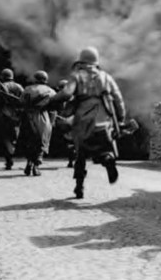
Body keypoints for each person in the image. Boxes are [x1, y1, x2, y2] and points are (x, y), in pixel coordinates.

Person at [49, 47, 126, 199]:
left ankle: (79, 186)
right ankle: (108, 160)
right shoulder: (106, 77)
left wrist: (52, 100)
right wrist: (121, 119)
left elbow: (66, 93)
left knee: (81, 154)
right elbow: (118, 99)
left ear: (81, 61)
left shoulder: (77, 76)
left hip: (83, 121)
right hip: (103, 121)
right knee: (104, 148)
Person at [20, 71, 56, 176]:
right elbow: (55, 107)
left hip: (28, 117)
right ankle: (36, 166)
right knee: (42, 141)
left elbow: (21, 102)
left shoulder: (27, 89)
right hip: (43, 117)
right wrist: (51, 122)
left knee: (29, 141)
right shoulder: (51, 91)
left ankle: (29, 163)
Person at [0, 68, 24, 170]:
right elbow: (24, 100)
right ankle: (12, 152)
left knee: (5, 137)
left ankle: (9, 158)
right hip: (17, 115)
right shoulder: (19, 87)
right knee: (14, 136)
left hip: (4, 115)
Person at [54, 79, 76, 168]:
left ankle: (72, 160)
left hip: (70, 122)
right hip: (62, 122)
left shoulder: (74, 99)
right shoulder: (58, 99)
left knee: (71, 142)